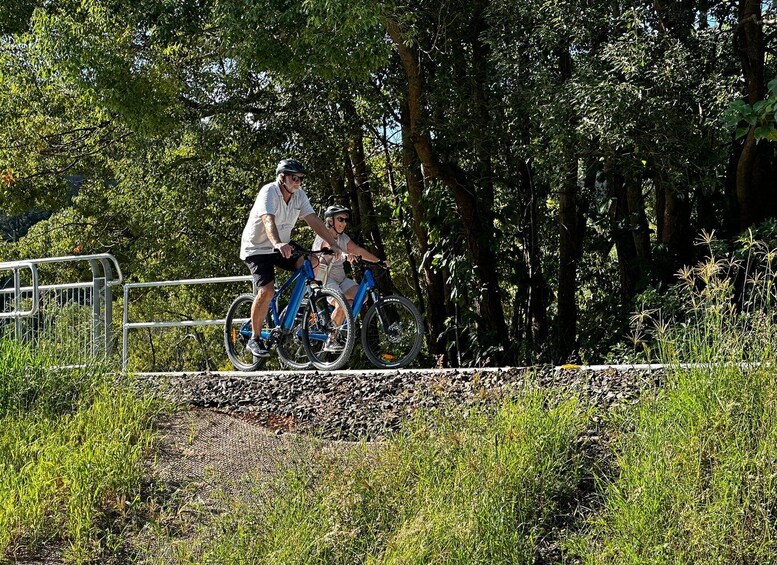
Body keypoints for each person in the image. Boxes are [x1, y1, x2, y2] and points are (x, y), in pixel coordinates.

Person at [240, 159, 345, 358]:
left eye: (300, 179)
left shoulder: (299, 196)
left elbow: (313, 219)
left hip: (283, 245)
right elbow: (267, 220)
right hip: (258, 248)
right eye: (294, 178)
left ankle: (295, 309)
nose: (298, 182)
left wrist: (332, 243)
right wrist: (278, 243)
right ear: (282, 178)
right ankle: (254, 338)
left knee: (311, 262)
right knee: (267, 290)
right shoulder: (269, 192)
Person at [313, 205, 384, 325]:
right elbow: (331, 247)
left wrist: (379, 261)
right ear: (330, 221)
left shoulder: (343, 237)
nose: (344, 223)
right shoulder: (323, 236)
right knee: (342, 304)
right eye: (340, 219)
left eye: (346, 220)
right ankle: (331, 340)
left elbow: (358, 250)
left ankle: (342, 327)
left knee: (362, 296)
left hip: (341, 279)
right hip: (325, 280)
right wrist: (345, 255)